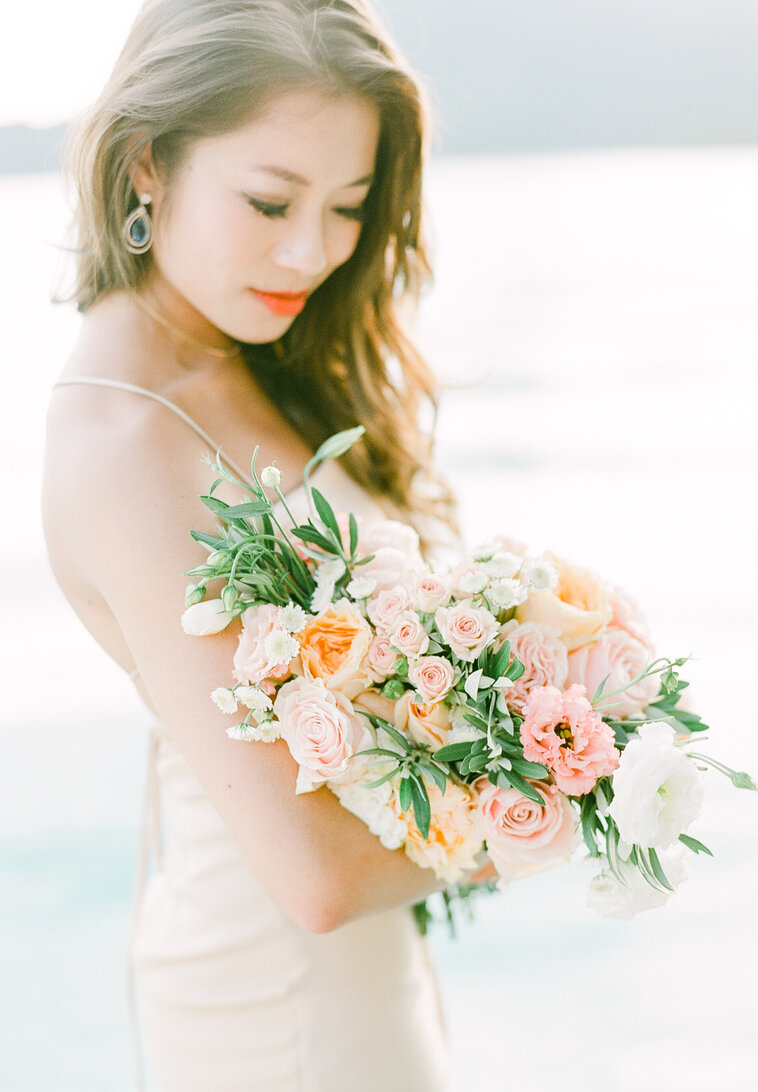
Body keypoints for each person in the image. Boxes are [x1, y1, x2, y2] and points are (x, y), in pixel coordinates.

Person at [42, 0, 495, 1088]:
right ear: (147, 163)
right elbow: (319, 877)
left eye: (347, 206)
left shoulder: (238, 349)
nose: (314, 250)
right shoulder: (124, 440)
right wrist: (560, 782)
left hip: (356, 975)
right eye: (269, 200)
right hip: (273, 1005)